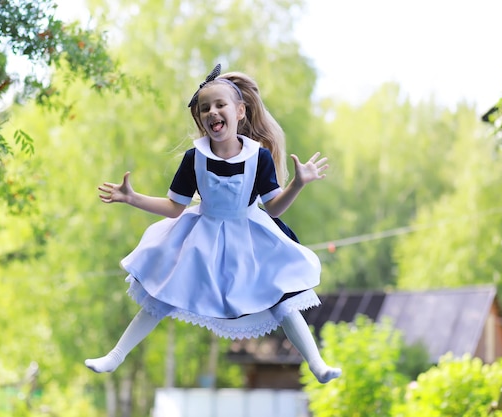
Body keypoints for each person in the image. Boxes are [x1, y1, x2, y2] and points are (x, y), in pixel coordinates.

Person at [85, 64, 341, 384]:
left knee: (282, 298)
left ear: (240, 112)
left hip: (249, 235)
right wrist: (132, 198)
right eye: (204, 108)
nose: (212, 112)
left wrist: (298, 184)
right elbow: (174, 207)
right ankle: (115, 356)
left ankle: (317, 364)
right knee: (162, 294)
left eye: (220, 105)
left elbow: (274, 208)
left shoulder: (258, 157)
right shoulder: (195, 158)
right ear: (201, 119)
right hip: (202, 234)